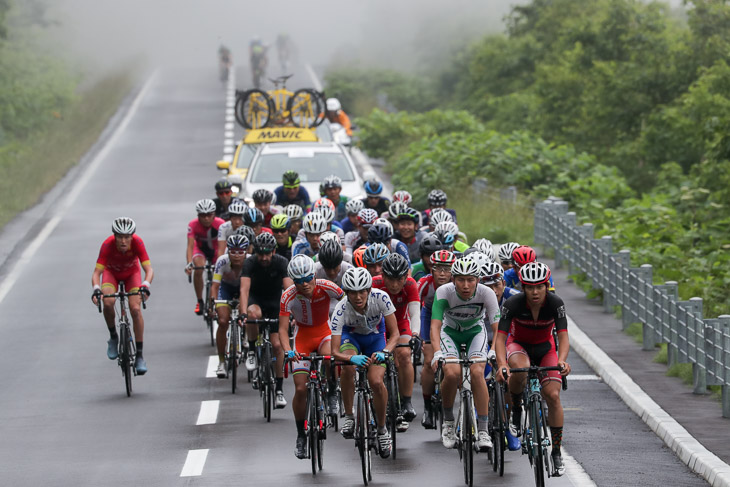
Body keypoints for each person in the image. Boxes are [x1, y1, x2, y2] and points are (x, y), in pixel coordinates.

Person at [494, 262, 571, 476]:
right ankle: (517, 410)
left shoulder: (555, 304)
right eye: (529, 287)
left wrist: (563, 360)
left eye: (539, 287)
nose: (534, 292)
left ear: (547, 286)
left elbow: (563, 337)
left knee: (553, 396)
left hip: (546, 349)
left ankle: (556, 452)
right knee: (522, 369)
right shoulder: (513, 303)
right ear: (523, 287)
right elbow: (500, 339)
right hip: (518, 346)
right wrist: (502, 364)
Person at [431, 258, 500, 452]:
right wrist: (437, 353)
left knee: (478, 373)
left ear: (478, 280)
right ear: (453, 279)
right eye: (461, 280)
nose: (466, 285)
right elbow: (435, 326)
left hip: (475, 332)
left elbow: (498, 329)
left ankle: (484, 430)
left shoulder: (486, 293)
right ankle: (448, 422)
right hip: (450, 332)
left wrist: (494, 350)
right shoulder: (443, 292)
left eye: (470, 279)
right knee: (452, 373)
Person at [330, 267, 400, 458]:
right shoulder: (340, 309)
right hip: (350, 338)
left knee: (376, 381)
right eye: (353, 292)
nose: (358, 297)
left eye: (362, 291)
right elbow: (335, 351)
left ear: (369, 290)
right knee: (348, 370)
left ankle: (382, 429)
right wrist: (351, 358)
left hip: (375, 339)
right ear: (346, 293)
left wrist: (386, 352)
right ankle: (350, 416)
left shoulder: (382, 298)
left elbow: (395, 334)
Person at [280, 255, 344, 459]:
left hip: (324, 332)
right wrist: (287, 350)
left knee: (330, 357)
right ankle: (300, 435)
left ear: (314, 275)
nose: (304, 284)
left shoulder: (327, 286)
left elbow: (349, 303)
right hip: (302, 338)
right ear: (292, 280)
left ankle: (333, 389)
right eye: (298, 281)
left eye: (308, 278)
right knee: (300, 388)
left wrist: (345, 328)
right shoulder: (288, 296)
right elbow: (282, 330)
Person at [92, 217, 153, 375]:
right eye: (120, 237)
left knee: (135, 309)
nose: (123, 241)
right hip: (111, 273)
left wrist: (145, 285)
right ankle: (113, 336)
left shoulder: (138, 243)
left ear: (132, 236)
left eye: (127, 237)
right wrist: (96, 289)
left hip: (131, 274)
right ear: (114, 236)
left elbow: (149, 270)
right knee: (108, 302)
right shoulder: (107, 245)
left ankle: (139, 355)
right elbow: (97, 273)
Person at [239, 233, 294, 408]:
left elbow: (289, 289)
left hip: (276, 302)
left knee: (277, 345)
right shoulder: (250, 263)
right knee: (252, 315)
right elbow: (244, 290)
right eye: (260, 254)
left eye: (267, 254)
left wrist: (293, 312)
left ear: (274, 251)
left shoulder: (281, 262)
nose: (263, 258)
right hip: (257, 300)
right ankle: (252, 351)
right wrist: (242, 314)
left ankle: (279, 390)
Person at [372, 253, 420, 425]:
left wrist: (415, 335)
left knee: (405, 355)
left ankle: (406, 402)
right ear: (382, 276)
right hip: (378, 326)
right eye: (390, 279)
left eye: (399, 279)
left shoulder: (411, 284)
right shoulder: (374, 283)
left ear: (405, 277)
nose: (394, 284)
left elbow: (415, 313)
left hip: (400, 323)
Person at [417, 249, 455, 428]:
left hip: (450, 318)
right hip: (428, 316)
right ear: (431, 269)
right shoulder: (425, 283)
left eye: (446, 269)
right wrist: (416, 333)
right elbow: (414, 306)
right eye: (438, 268)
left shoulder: (457, 283)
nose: (442, 273)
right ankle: (427, 407)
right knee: (428, 361)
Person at [210, 235, 249, 378]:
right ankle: (221, 362)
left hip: (243, 289)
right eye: (233, 251)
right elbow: (215, 286)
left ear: (245, 252)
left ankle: (247, 338)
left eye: (240, 252)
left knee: (246, 311)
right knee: (222, 321)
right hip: (225, 289)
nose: (237, 256)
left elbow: (252, 288)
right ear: (228, 251)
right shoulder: (222, 261)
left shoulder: (250, 261)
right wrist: (212, 304)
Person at [186, 199, 225, 315]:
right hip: (200, 250)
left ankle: (213, 301)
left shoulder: (221, 224)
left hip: (216, 249)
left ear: (214, 214)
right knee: (199, 267)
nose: (206, 218)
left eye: (209, 215)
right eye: (203, 215)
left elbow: (223, 247)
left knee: (218, 271)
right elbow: (190, 246)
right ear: (198, 215)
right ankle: (200, 301)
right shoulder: (192, 225)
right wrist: (189, 263)